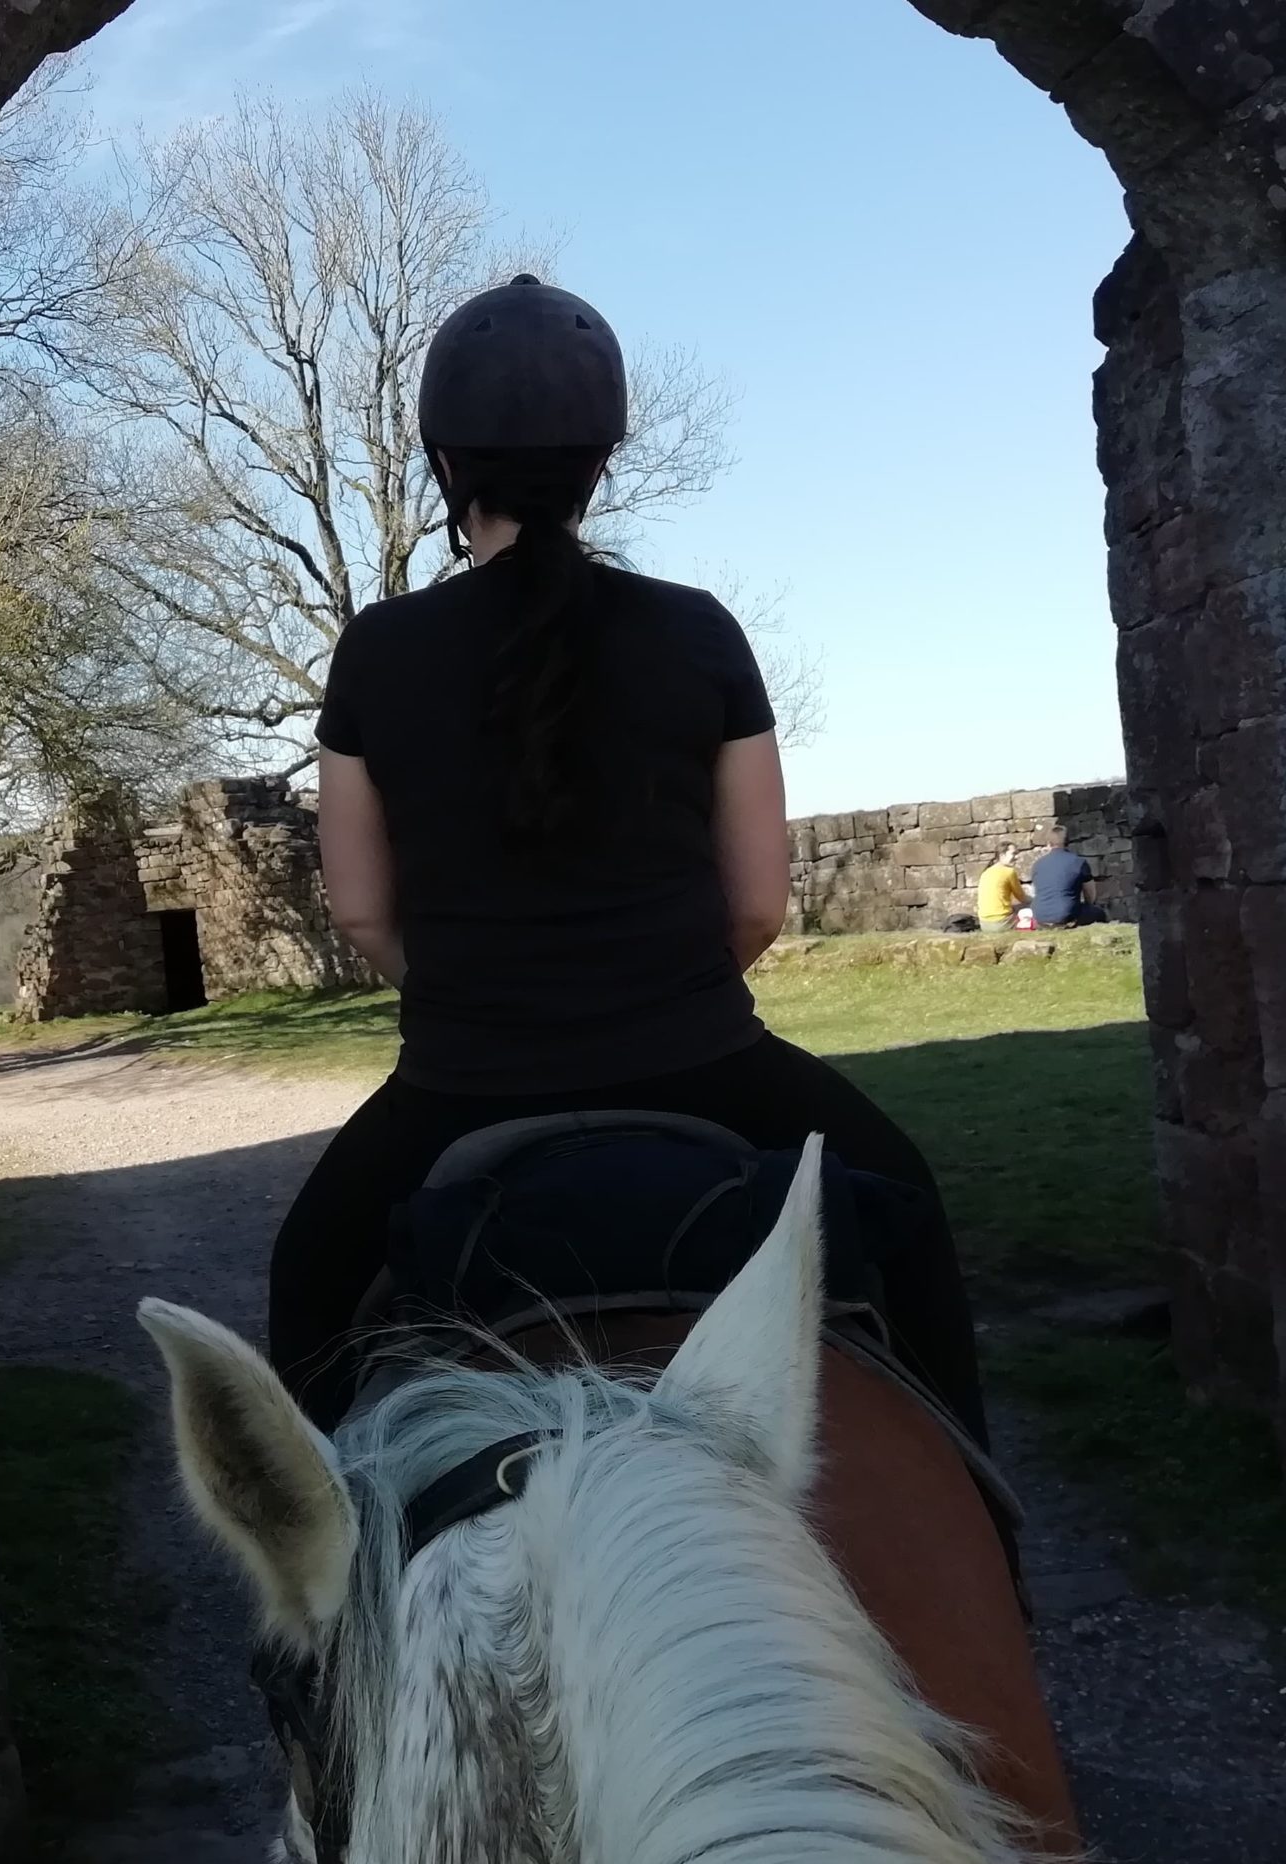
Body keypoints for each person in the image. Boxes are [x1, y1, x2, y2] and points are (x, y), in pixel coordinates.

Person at [267, 273, 989, 1453]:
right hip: (707, 1062)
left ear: (444, 465)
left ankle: (317, 1575)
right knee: (902, 1212)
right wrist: (659, 997)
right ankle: (988, 1525)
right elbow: (757, 903)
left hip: (458, 1079)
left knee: (309, 1278)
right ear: (601, 462)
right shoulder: (697, 628)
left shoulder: (379, 649)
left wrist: (473, 1002)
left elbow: (358, 909)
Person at [1025, 827, 1098, 928]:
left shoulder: (1037, 864)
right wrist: (1088, 906)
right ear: (1068, 842)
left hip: (1040, 917)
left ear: (1049, 843)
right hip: (1067, 916)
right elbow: (1090, 893)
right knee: (1099, 913)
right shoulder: (1079, 862)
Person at [976, 844, 1027, 932]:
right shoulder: (1009, 872)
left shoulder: (986, 872)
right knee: (1029, 912)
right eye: (1014, 853)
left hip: (984, 924)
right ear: (1002, 855)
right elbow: (1022, 898)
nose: (1017, 857)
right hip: (1001, 923)